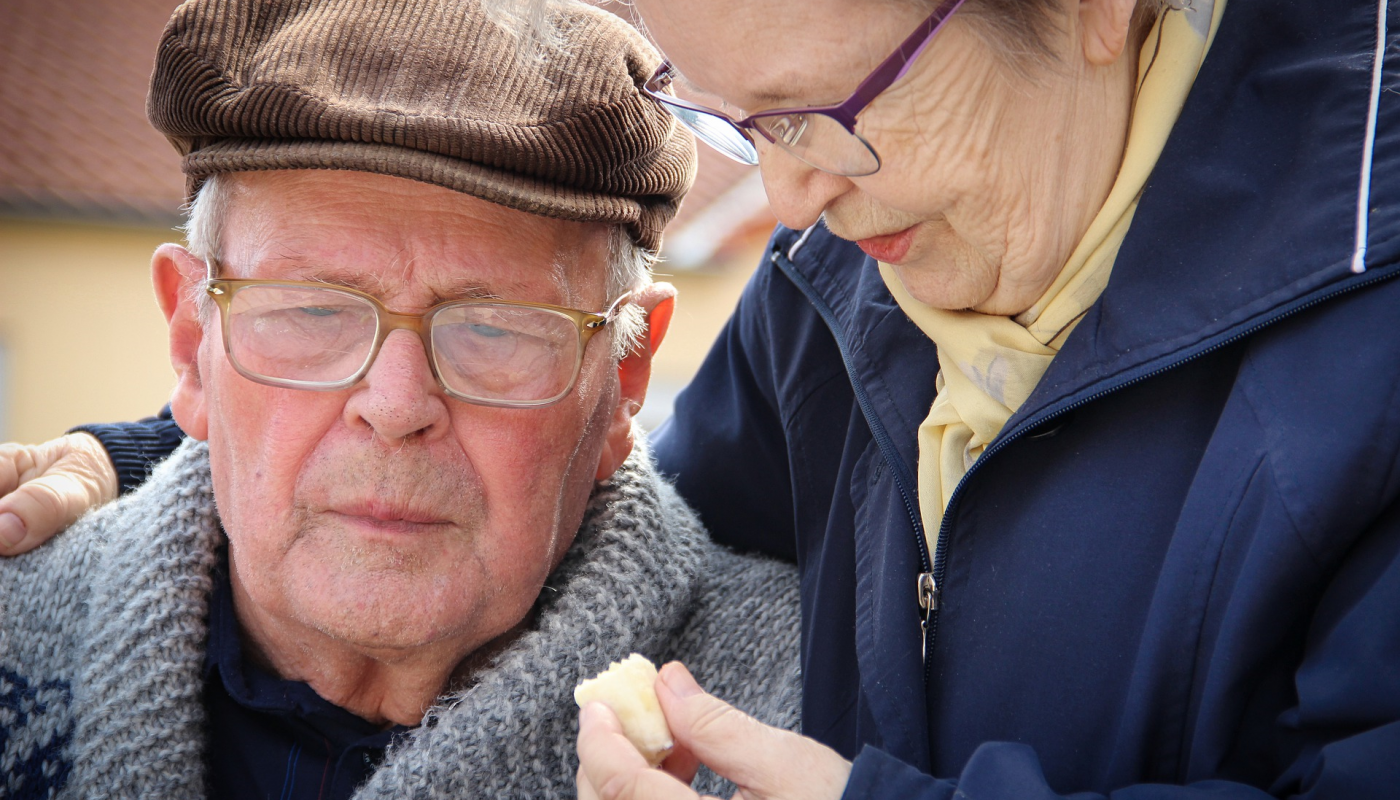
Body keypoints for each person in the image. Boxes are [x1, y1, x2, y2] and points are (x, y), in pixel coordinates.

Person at [4, 0, 1399, 797]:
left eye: (829, 109)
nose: (786, 206)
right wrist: (150, 470)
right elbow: (584, 494)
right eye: (742, 126)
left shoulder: (1366, 317)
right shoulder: (836, 284)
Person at [0, 0, 803, 797]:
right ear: (191, 343)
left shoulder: (809, 711)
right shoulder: (13, 631)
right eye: (313, 310)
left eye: (492, 330)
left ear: (625, 377)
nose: (394, 406)